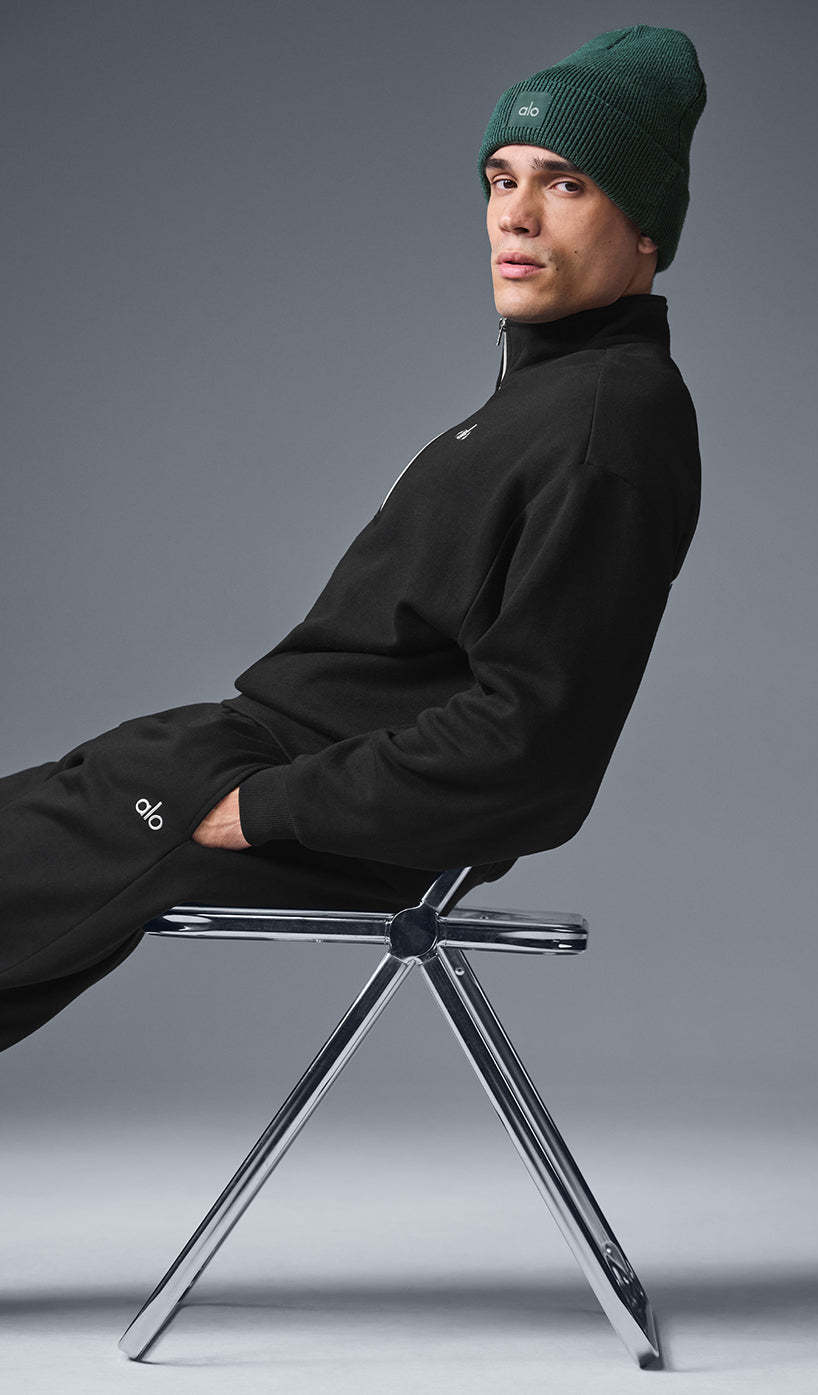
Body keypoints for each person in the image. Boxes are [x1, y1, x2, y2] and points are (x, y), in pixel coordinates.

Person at [0, 25, 707, 1052]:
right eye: (501, 179)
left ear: (645, 227)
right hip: (231, 754)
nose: (514, 215)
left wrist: (267, 805)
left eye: (566, 184)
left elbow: (534, 750)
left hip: (299, 795)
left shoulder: (609, 423)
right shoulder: (545, 399)